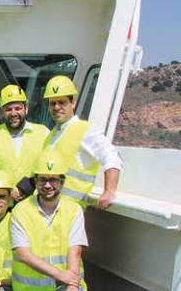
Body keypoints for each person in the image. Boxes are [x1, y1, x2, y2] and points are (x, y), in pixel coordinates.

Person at [11, 150, 88, 291]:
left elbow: (75, 250)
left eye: (54, 180)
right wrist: (62, 276)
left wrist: (71, 285)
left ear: (62, 181)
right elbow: (24, 255)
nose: (48, 185)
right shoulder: (21, 211)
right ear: (35, 181)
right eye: (43, 179)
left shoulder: (73, 210)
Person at [43, 76, 123, 210]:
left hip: (69, 212)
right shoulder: (52, 135)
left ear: (73, 103)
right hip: (46, 209)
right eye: (53, 103)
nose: (57, 107)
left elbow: (112, 156)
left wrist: (109, 191)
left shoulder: (85, 130)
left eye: (62, 102)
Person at [0, 84, 49, 203]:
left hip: (35, 202)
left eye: (17, 108)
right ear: (2, 112)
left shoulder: (43, 133)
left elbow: (51, 166)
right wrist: (8, 189)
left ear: (26, 109)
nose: (13, 113)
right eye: (8, 109)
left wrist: (27, 186)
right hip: (2, 204)